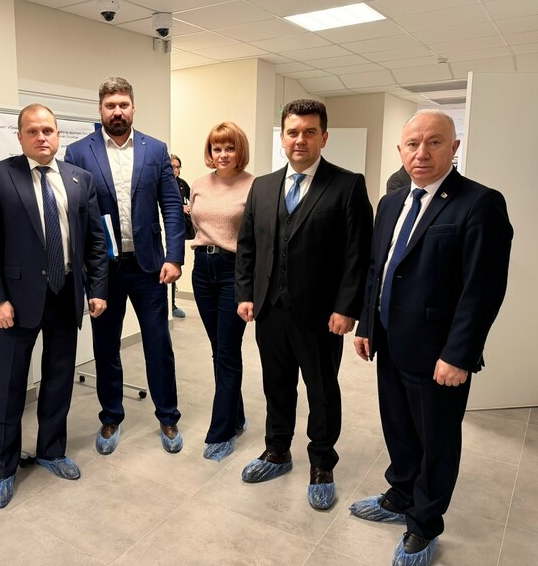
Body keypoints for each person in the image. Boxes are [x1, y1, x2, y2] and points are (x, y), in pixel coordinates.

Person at [350, 110, 512, 566]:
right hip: (389, 342)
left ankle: (424, 524)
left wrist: (459, 354)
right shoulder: (391, 202)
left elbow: (483, 289)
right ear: (400, 150)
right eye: (412, 144)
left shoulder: (479, 203)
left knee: (436, 441)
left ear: (454, 147)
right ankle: (400, 494)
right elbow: (378, 269)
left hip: (439, 354)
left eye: (434, 142)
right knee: (398, 426)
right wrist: (367, 325)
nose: (421, 153)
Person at [235, 98, 372, 510]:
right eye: (293, 132)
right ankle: (277, 450)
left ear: (323, 138)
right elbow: (248, 245)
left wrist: (347, 308)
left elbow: (357, 254)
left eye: (309, 132)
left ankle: (322, 464)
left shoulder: (347, 185)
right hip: (270, 310)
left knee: (321, 390)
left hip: (321, 316)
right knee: (276, 385)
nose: (300, 139)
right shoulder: (262, 186)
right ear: (282, 138)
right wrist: (245, 293)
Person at [0, 104, 108, 509]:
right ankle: (3, 470)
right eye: (32, 131)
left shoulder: (79, 179)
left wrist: (97, 289)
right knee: (9, 387)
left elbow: (95, 241)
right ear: (20, 137)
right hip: (15, 303)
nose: (41, 137)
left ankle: (51, 450)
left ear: (58, 135)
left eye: (47, 130)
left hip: (66, 294)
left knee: (59, 378)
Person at [64, 77, 186, 455]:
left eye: (123, 105)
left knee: (158, 343)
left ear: (133, 108)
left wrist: (174, 256)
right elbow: (75, 216)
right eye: (110, 106)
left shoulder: (155, 150)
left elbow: (171, 206)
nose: (117, 112)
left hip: (150, 267)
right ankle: (111, 416)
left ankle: (168, 416)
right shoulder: (78, 152)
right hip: (104, 270)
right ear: (100, 109)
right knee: (105, 346)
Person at [190, 122, 254, 461]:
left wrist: (250, 287)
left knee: (228, 351)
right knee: (219, 349)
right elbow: (196, 225)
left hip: (234, 272)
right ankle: (237, 416)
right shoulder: (199, 184)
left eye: (230, 148)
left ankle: (222, 431)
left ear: (239, 151)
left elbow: (257, 238)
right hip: (202, 270)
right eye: (217, 148)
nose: (223, 154)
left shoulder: (254, 185)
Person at [170, 153, 192, 319]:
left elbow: (193, 201)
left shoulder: (183, 184)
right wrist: (180, 208)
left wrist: (189, 208)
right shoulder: (163, 183)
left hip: (180, 231)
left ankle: (173, 303)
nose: (176, 170)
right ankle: (170, 304)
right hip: (167, 231)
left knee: (176, 264)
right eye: (173, 167)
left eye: (178, 167)